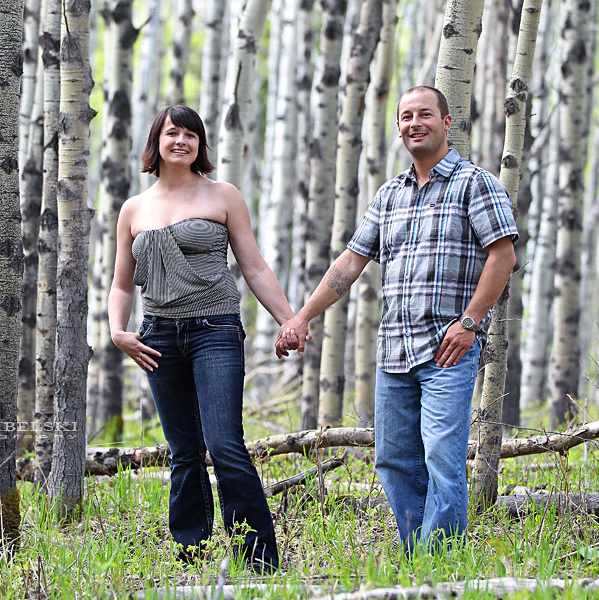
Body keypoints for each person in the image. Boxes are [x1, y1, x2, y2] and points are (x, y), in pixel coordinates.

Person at [277, 86, 518, 554]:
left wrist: (468, 324)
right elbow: (349, 264)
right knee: (392, 459)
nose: (414, 124)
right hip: (393, 351)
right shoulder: (390, 194)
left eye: (424, 115)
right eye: (406, 117)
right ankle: (416, 558)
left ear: (447, 123)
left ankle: (437, 563)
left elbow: (502, 257)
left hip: (447, 349)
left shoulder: (476, 183)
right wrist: (302, 317)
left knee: (443, 459)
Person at [108, 105, 293, 572]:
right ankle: (191, 555)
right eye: (173, 133)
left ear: (200, 145)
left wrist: (289, 320)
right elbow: (122, 284)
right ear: (157, 141)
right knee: (183, 451)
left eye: (191, 135)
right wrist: (117, 332)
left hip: (215, 331)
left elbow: (254, 266)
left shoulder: (223, 195)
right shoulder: (134, 208)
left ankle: (259, 563)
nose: (181, 142)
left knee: (225, 444)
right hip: (158, 339)